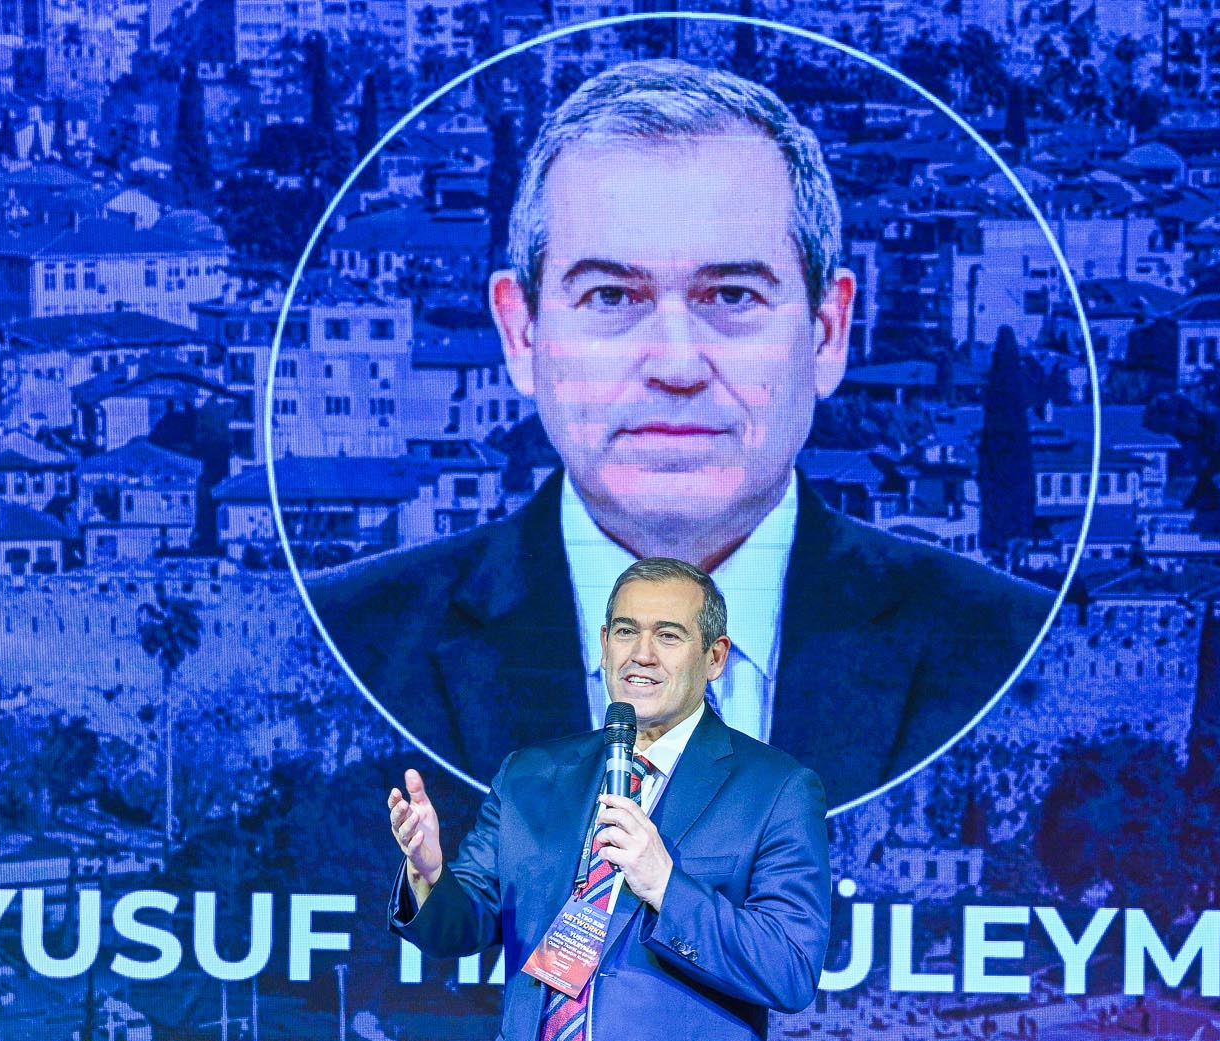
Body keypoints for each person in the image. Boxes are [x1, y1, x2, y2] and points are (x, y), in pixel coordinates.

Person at [315, 58, 1052, 809]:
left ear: (829, 333)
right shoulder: (341, 645)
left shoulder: (1018, 653)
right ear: (521, 333)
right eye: (611, 296)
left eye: (732, 295)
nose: (675, 364)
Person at [386, 556, 831, 1041]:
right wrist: (426, 873)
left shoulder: (773, 788)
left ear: (715, 656)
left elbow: (792, 963)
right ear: (601, 645)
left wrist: (665, 884)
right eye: (625, 631)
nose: (641, 653)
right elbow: (463, 919)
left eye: (668, 635)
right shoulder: (533, 776)